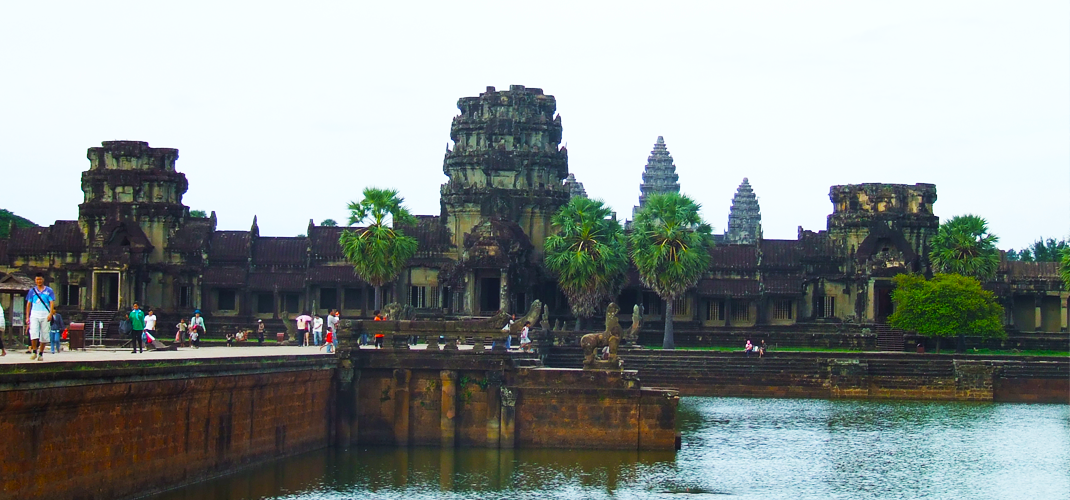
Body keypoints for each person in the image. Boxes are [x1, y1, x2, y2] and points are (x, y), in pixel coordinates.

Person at [26, 273, 56, 361]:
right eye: (37, 280)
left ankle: (40, 353)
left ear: (43, 280)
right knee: (34, 333)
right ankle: (34, 350)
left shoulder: (49, 290)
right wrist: (27, 316)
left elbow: (51, 302)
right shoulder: (32, 291)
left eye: (40, 279)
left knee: (44, 334)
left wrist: (50, 313)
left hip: (45, 314)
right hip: (35, 313)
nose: (39, 281)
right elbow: (29, 303)